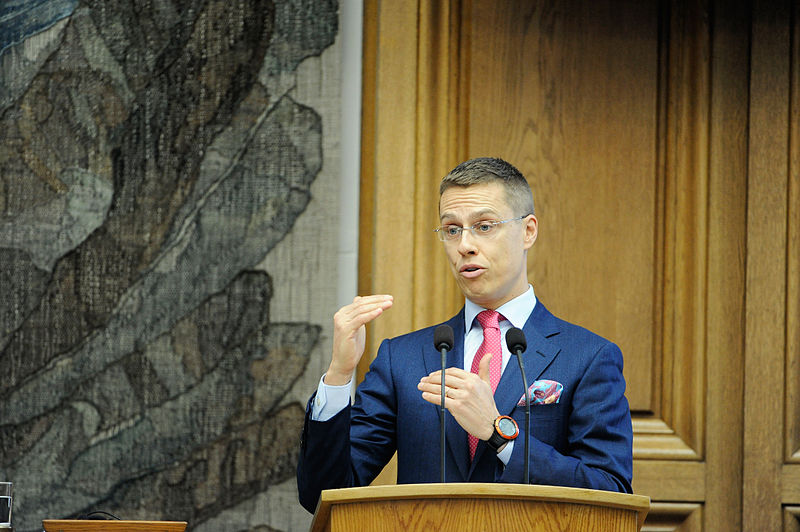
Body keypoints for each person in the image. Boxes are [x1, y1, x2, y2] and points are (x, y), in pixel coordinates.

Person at [296, 157, 633, 513]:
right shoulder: (403, 359)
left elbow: (609, 492)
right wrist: (339, 375)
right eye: (452, 229)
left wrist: (499, 434)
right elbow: (322, 494)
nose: (465, 245)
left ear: (528, 231)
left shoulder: (588, 357)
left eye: (484, 226)